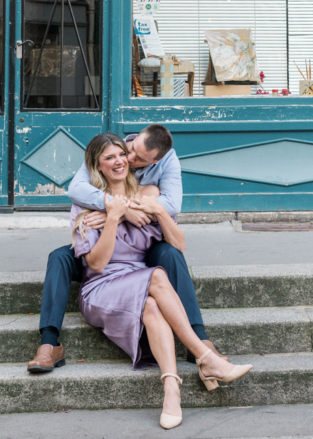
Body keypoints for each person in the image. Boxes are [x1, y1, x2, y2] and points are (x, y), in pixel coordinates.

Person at [66, 133, 252, 429]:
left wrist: (159, 211)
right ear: (98, 166)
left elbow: (178, 245)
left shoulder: (145, 195)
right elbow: (97, 264)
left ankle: (171, 391)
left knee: (152, 306)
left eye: (120, 155)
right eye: (109, 157)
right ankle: (205, 357)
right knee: (157, 276)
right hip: (101, 289)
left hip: (137, 281)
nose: (119, 161)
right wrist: (113, 216)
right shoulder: (85, 205)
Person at [28, 124, 218, 374]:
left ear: (155, 161)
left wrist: (128, 211)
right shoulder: (111, 149)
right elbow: (75, 190)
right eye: (129, 150)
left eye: (137, 158)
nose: (127, 159)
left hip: (140, 248)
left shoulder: (163, 168)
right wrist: (113, 210)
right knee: (59, 257)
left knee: (171, 254)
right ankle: (49, 343)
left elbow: (171, 204)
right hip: (104, 251)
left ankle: (199, 338)